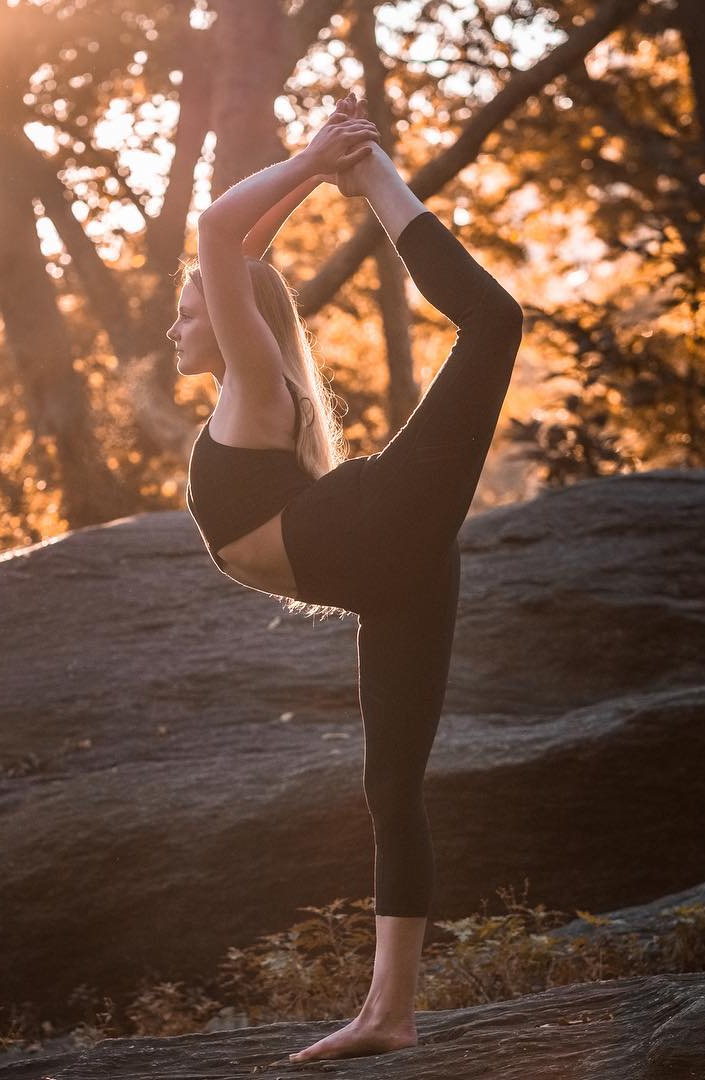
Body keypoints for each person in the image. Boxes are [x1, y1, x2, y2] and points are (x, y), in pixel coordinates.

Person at [167, 92, 523, 1064]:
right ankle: (390, 1013)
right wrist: (310, 173)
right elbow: (236, 252)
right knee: (392, 794)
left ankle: (383, 183)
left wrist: (328, 163)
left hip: (384, 528)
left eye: (187, 305)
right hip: (395, 573)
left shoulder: (254, 379)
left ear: (234, 314)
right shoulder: (250, 387)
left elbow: (217, 231)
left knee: (494, 324)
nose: (177, 322)